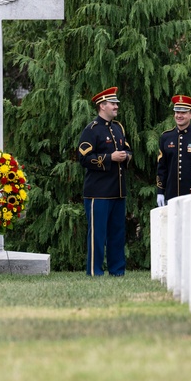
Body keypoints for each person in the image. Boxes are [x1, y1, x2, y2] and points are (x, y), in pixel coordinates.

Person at [77, 87, 132, 277]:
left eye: (116, 103)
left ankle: (117, 271)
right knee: (98, 235)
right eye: (113, 103)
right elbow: (84, 158)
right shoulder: (91, 130)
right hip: (98, 192)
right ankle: (95, 271)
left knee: (117, 234)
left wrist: (125, 156)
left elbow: (127, 150)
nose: (116, 106)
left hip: (118, 191)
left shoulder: (118, 128)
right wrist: (110, 158)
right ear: (102, 106)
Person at [156, 95, 191, 207]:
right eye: (177, 112)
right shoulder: (166, 137)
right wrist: (160, 192)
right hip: (171, 195)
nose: (179, 115)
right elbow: (162, 167)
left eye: (183, 112)